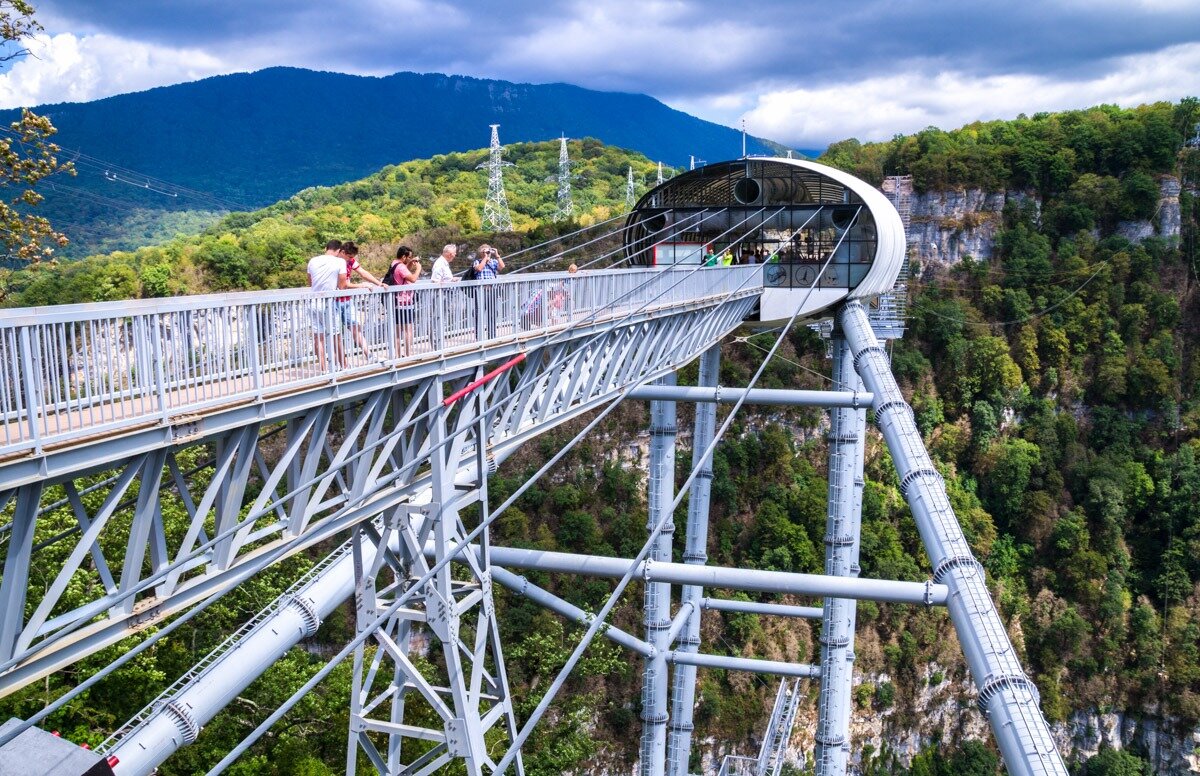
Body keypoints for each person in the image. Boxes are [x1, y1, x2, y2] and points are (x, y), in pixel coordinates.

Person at [308, 239, 368, 370]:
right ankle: (344, 365)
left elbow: (310, 282)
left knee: (319, 338)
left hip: (313, 302)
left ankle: (323, 370)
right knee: (336, 337)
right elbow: (342, 286)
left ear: (326, 248)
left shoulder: (313, 260)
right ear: (338, 250)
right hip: (328, 304)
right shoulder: (339, 262)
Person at [338, 241, 386, 365]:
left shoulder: (350, 261)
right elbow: (343, 285)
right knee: (335, 333)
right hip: (334, 302)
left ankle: (369, 355)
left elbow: (363, 272)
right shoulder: (335, 263)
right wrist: (361, 285)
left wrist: (378, 283)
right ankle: (341, 364)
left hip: (347, 300)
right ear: (342, 252)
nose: (351, 259)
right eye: (349, 257)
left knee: (356, 328)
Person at [385, 245, 421, 357]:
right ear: (404, 257)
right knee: (408, 329)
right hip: (404, 301)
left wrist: (410, 263)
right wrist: (418, 268)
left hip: (396, 301)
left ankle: (397, 354)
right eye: (409, 257)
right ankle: (408, 354)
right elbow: (413, 279)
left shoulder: (394, 263)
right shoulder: (401, 267)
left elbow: (404, 272)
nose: (410, 259)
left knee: (397, 331)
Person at [473, 244, 504, 338]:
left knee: (492, 313)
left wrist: (497, 256)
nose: (488, 253)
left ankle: (492, 335)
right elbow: (479, 268)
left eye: (489, 252)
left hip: (492, 290)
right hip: (481, 291)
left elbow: (502, 267)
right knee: (479, 313)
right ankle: (479, 336)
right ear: (481, 253)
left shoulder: (493, 262)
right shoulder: (477, 262)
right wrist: (485, 259)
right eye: (486, 252)